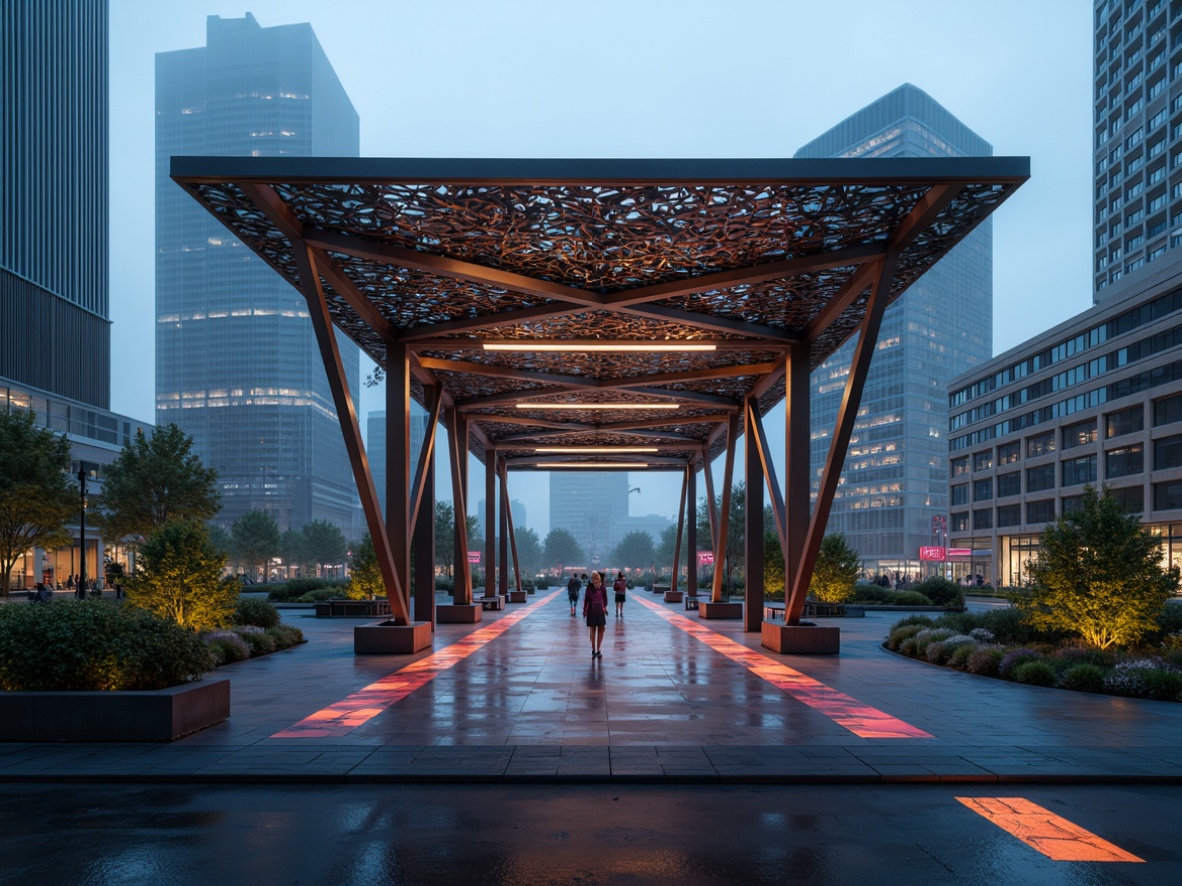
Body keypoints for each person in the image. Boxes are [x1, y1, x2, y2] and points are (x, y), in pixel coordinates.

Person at [583, 571, 608, 658]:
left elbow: (605, 599)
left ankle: (598, 648)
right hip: (591, 610)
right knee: (592, 630)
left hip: (600, 610)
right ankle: (594, 649)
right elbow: (586, 600)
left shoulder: (602, 588)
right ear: (592, 580)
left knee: (601, 629)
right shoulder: (589, 588)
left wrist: (604, 607)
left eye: (597, 579)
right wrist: (585, 610)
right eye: (595, 579)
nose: (596, 581)